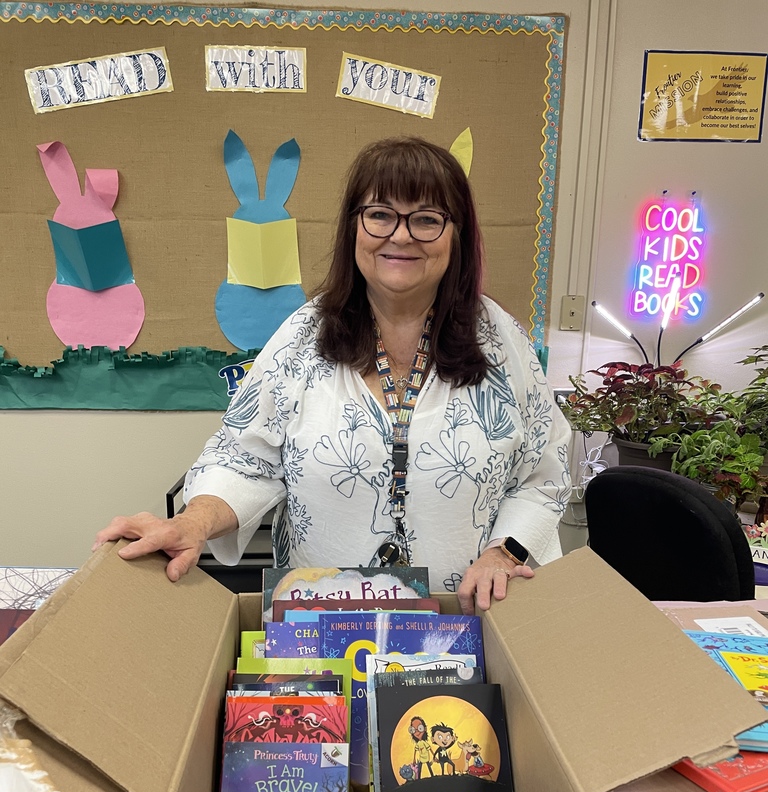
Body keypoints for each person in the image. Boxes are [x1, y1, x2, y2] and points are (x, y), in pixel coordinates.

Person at [95, 136, 571, 613]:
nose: (400, 236)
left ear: (457, 234)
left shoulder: (501, 343)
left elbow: (543, 476)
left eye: (427, 219)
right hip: (319, 634)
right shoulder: (302, 338)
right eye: (380, 214)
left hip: (464, 629)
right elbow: (245, 459)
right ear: (353, 228)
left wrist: (504, 553)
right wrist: (192, 522)